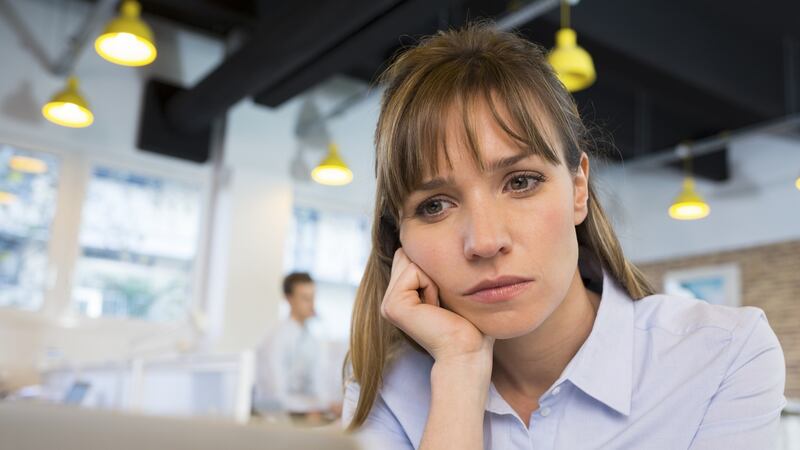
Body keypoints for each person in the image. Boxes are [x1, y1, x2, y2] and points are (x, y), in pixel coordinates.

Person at [341, 23, 786, 449]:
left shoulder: (723, 355)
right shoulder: (383, 391)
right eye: (434, 205)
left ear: (578, 189)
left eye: (520, 182)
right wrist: (460, 369)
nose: (484, 240)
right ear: (400, 238)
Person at [254, 272, 338, 424]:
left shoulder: (311, 340)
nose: (312, 304)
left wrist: (327, 405)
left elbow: (316, 385)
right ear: (289, 299)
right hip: (274, 419)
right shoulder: (275, 339)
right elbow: (275, 395)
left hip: (302, 414)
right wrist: (318, 406)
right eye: (305, 298)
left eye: (313, 297)